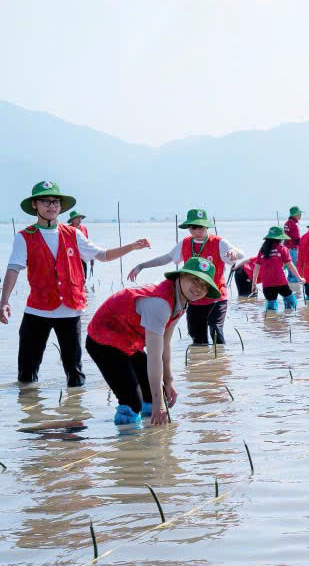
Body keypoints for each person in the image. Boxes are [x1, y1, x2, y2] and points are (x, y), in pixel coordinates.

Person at [2, 181, 150, 388]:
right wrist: (5, 301)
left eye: (55, 202)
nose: (51, 206)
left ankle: (76, 415)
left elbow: (103, 255)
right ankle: (29, 416)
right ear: (35, 205)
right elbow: (13, 268)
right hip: (37, 311)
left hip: (70, 313)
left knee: (75, 372)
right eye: (45, 201)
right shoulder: (24, 237)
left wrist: (131, 247)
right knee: (26, 373)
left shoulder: (73, 234)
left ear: (60, 207)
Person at [86, 256, 221, 425]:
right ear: (180, 276)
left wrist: (169, 382)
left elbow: (164, 346)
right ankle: (128, 443)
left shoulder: (181, 301)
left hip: (129, 342)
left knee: (155, 393)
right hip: (103, 340)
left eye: (204, 285)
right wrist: (159, 404)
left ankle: (153, 438)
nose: (198, 288)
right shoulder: (160, 303)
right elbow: (154, 355)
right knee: (132, 402)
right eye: (195, 280)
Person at [127, 208, 244, 346]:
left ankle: (221, 364)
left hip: (216, 296)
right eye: (193, 228)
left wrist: (233, 253)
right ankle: (202, 365)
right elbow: (166, 258)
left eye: (201, 227)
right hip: (194, 297)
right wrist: (142, 265)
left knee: (215, 329)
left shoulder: (218, 242)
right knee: (198, 338)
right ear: (188, 228)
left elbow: (239, 254)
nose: (197, 232)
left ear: (207, 226)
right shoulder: (185, 243)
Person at [250, 226, 302, 311]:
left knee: (271, 310)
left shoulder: (263, 250)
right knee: (292, 306)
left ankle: (272, 324)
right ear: (280, 238)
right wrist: (300, 278)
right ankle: (289, 321)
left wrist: (254, 284)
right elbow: (290, 265)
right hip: (281, 283)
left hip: (267, 285)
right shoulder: (282, 249)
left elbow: (256, 268)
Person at [284, 205, 303, 283]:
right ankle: (296, 286)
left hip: (286, 249)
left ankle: (290, 285)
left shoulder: (286, 223)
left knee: (289, 269)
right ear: (295, 215)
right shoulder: (294, 225)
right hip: (293, 249)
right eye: (299, 214)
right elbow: (297, 240)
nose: (300, 216)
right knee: (295, 267)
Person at [68, 210, 90, 275]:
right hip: (72, 257)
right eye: (77, 218)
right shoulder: (68, 229)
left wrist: (91, 258)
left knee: (84, 275)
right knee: (73, 275)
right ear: (72, 220)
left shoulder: (84, 228)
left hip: (83, 256)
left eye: (80, 217)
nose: (79, 219)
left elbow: (87, 243)